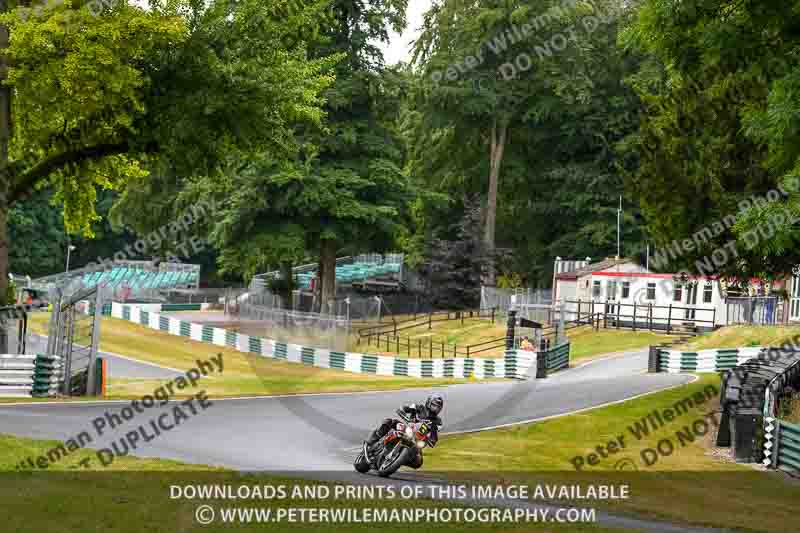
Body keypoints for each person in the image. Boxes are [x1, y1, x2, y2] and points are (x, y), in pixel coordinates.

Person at [365, 393, 444, 469]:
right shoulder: (419, 407)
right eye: (434, 406)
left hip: (417, 439)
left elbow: (434, 436)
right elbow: (402, 408)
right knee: (389, 421)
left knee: (418, 462)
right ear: (428, 403)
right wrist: (405, 415)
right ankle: (372, 440)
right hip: (406, 428)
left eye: (438, 407)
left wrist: (431, 440)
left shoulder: (438, 421)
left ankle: (399, 460)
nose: (435, 409)